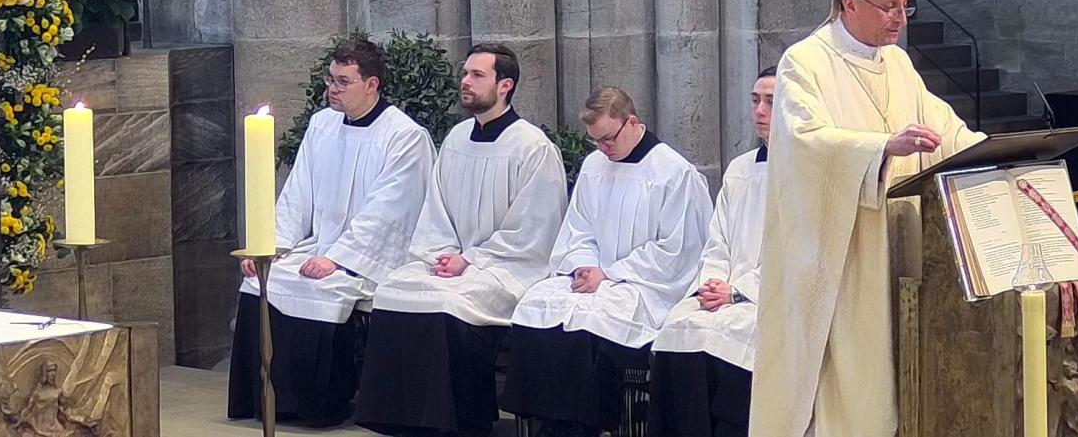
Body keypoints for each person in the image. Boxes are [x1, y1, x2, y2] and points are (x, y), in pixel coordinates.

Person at [747, 0, 985, 437]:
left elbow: (942, 128)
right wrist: (882, 149)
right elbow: (805, 146)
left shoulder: (896, 63)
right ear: (849, 3)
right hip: (841, 260)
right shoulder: (805, 63)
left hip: (898, 254)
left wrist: (1004, 156)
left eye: (905, 6)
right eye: (889, 7)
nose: (900, 19)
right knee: (849, 394)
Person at [356, 43, 569, 437]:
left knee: (450, 302)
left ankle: (460, 423)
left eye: (477, 75)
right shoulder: (456, 138)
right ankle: (401, 421)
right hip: (451, 258)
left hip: (507, 267)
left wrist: (470, 259)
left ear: (505, 85)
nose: (465, 82)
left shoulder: (533, 147)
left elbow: (535, 229)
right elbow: (436, 210)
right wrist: (442, 253)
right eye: (465, 73)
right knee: (394, 289)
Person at [226, 37, 435, 427]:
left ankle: (320, 407)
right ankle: (268, 403)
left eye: (342, 82)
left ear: (371, 85)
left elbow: (389, 213)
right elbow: (297, 193)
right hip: (318, 246)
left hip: (366, 259)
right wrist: (270, 247)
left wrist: (339, 259)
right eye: (331, 79)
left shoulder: (404, 137)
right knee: (260, 282)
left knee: (326, 287)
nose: (331, 89)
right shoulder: (322, 125)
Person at [501, 86, 713, 437]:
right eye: (595, 141)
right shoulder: (595, 165)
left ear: (632, 122)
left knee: (589, 324)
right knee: (536, 307)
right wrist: (583, 265)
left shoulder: (674, 172)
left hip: (645, 286)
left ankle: (585, 428)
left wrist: (610, 274)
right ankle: (544, 425)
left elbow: (679, 250)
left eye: (608, 139)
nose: (603, 148)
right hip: (595, 276)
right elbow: (579, 228)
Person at [649, 68, 777, 437]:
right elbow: (717, 239)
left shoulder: (806, 171)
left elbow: (799, 254)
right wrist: (712, 284)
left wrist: (738, 291)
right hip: (725, 291)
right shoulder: (739, 170)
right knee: (680, 327)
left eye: (770, 101)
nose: (759, 110)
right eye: (755, 100)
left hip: (767, 297)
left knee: (737, 337)